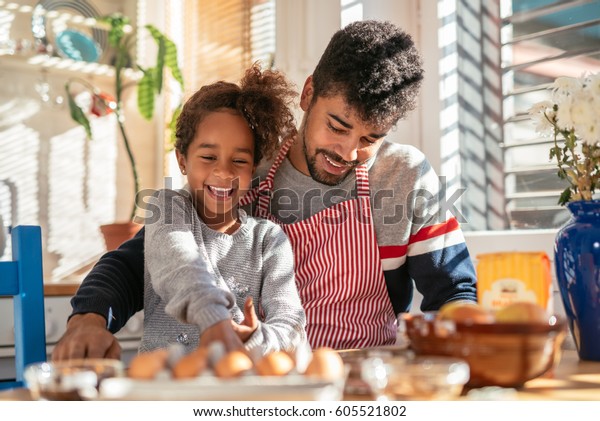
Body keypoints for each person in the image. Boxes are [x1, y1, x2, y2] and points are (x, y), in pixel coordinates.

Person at [52, 20, 477, 360]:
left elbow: (454, 293)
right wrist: (89, 317)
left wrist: (467, 341)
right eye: (337, 126)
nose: (347, 152)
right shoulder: (244, 168)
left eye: (369, 138)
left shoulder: (403, 176)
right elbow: (141, 258)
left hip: (368, 381)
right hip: (264, 384)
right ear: (308, 93)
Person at [138, 64, 306, 355]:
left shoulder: (268, 240)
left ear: (253, 167)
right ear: (182, 160)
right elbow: (180, 264)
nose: (224, 171)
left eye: (239, 161)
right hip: (164, 392)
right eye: (208, 156)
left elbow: (292, 326)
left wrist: (256, 336)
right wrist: (214, 318)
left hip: (235, 393)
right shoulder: (167, 209)